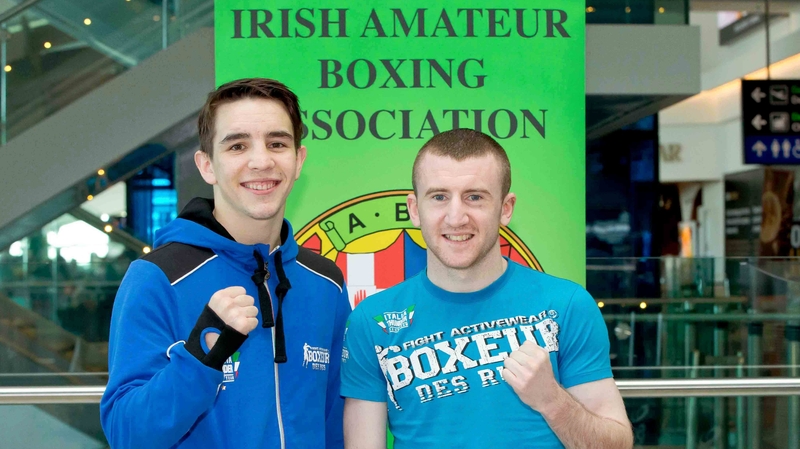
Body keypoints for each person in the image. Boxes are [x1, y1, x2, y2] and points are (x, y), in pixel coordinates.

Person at [341, 129, 632, 448]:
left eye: (474, 197)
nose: (456, 217)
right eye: (439, 197)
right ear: (414, 209)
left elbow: (616, 444)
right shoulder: (372, 321)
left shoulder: (567, 304)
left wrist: (552, 401)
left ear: (506, 208)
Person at [100, 78, 351, 449]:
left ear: (298, 160)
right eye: (237, 145)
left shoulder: (325, 282)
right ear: (207, 166)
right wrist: (200, 358)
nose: (261, 161)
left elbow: (335, 423)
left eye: (277, 143)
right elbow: (127, 433)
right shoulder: (157, 277)